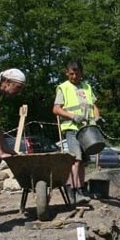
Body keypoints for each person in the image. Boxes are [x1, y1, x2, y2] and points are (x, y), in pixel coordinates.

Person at [52, 59, 99, 200]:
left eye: (77, 74)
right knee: (75, 160)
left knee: (83, 161)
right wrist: (72, 116)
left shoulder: (87, 87)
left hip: (87, 130)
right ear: (67, 73)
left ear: (82, 73)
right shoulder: (63, 87)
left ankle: (82, 189)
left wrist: (96, 118)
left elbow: (94, 106)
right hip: (72, 129)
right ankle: (74, 190)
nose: (74, 77)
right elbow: (56, 109)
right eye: (71, 74)